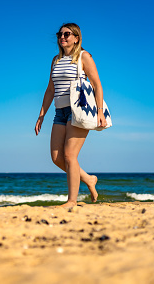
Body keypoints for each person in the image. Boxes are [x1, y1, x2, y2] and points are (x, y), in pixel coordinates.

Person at [34, 23, 106, 208]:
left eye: (67, 34)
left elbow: (97, 85)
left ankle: (72, 201)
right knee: (57, 157)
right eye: (60, 34)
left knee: (69, 155)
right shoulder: (55, 60)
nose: (62, 37)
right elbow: (50, 89)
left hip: (78, 110)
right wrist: (41, 115)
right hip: (60, 112)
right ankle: (89, 179)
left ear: (76, 38)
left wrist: (99, 111)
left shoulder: (84, 56)